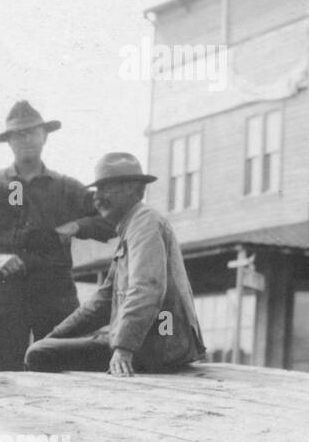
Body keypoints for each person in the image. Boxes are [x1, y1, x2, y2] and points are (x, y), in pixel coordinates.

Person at [24, 153, 205, 376]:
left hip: (159, 345)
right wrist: (55, 335)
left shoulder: (145, 223)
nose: (98, 198)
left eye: (107, 189)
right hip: (156, 342)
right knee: (45, 347)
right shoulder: (132, 227)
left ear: (137, 191)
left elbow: (147, 288)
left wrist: (123, 349)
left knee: (38, 354)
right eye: (97, 190)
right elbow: (103, 300)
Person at [0, 101, 116, 370]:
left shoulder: (67, 188)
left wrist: (77, 226)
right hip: (5, 294)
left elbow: (110, 221)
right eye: (17, 134)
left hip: (55, 293)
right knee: (6, 373)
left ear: (44, 136)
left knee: (62, 368)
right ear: (8, 141)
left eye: (31, 132)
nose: (25, 139)